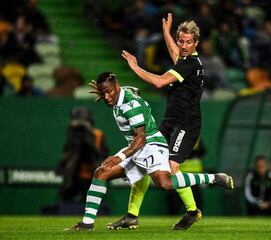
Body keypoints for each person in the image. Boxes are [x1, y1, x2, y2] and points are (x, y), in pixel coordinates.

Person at [66, 72, 233, 231]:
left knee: (165, 183)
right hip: (136, 147)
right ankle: (87, 223)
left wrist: (121, 156)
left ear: (116, 87)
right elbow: (134, 90)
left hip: (151, 145)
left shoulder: (131, 106)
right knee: (102, 172)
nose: (107, 97)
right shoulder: (121, 93)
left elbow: (141, 139)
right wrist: (106, 90)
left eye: (109, 92)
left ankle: (214, 178)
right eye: (103, 93)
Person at [118, 13, 206, 230]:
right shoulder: (185, 60)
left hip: (186, 125)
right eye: (181, 41)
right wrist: (167, 32)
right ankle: (131, 215)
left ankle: (192, 211)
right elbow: (175, 53)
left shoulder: (190, 64)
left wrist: (135, 67)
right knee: (144, 159)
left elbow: (158, 82)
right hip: (170, 121)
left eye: (188, 42)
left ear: (196, 43)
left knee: (170, 169)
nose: (183, 46)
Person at [55, 106, 108, 203]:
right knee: (66, 196)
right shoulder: (73, 133)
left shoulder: (97, 134)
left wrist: (88, 140)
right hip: (75, 174)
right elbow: (69, 151)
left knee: (92, 199)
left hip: (92, 172)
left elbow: (101, 153)